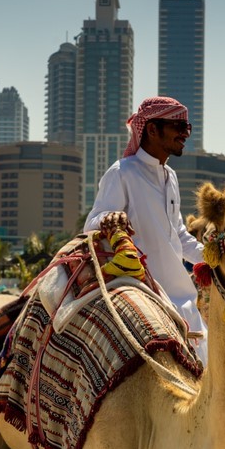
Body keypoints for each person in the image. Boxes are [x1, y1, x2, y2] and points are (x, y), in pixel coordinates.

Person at [83, 96, 208, 365]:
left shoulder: (170, 177)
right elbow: (91, 224)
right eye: (178, 127)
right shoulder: (122, 172)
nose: (185, 134)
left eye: (187, 127)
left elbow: (178, 235)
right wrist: (109, 218)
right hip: (142, 294)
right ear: (152, 129)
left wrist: (214, 256)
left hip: (182, 298)